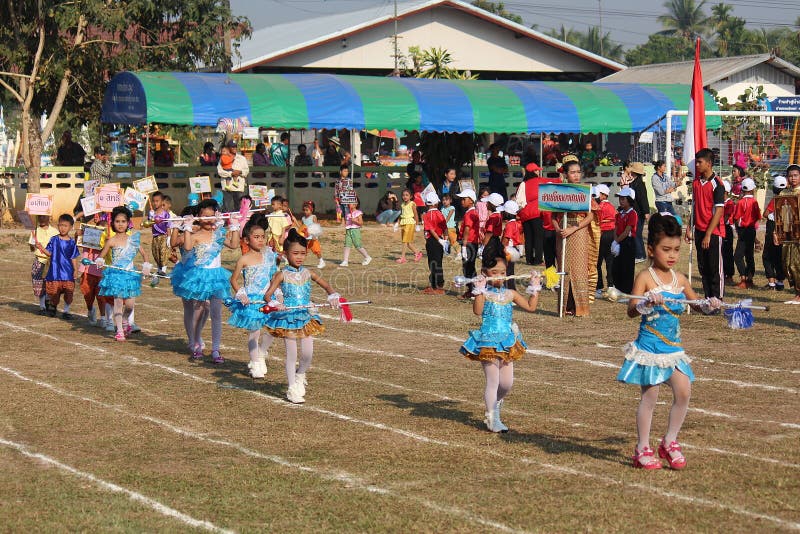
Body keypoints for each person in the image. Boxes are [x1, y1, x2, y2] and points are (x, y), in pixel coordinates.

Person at [617, 213, 722, 470]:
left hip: (673, 349)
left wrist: (709, 305)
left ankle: (670, 441)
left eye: (676, 249)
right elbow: (631, 310)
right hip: (650, 348)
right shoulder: (645, 277)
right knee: (650, 398)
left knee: (684, 391)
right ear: (652, 250)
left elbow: (695, 305)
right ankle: (642, 448)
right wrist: (645, 302)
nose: (672, 255)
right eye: (666, 250)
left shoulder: (681, 280)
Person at [460, 256, 541, 432]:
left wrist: (535, 288)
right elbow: (478, 311)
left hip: (507, 341)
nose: (499, 276)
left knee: (507, 383)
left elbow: (530, 307)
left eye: (502, 273)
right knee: (493, 381)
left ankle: (495, 404)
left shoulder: (510, 294)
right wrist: (479, 291)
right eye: (494, 273)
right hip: (488, 341)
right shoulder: (485, 293)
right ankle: (491, 419)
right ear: (485, 273)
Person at [263, 228, 342, 403]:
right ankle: (292, 389)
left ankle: (300, 375)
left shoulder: (309, 273)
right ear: (286, 254)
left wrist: (332, 296)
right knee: (291, 354)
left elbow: (327, 286)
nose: (299, 257)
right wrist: (276, 304)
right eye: (295, 253)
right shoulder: (281, 274)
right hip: (288, 317)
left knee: (308, 354)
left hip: (305, 316)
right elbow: (268, 295)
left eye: (303, 254)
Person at [176, 199, 241, 362]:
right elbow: (188, 247)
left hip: (217, 277)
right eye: (204, 216)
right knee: (198, 312)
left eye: (212, 216)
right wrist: (187, 227)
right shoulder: (195, 235)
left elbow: (234, 245)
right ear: (198, 217)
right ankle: (195, 342)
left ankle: (216, 350)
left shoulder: (218, 234)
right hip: (200, 277)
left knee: (216, 314)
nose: (208, 219)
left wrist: (234, 225)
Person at [229, 217, 278, 379]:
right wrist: (241, 293)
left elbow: (273, 277)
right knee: (254, 332)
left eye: (263, 237)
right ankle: (255, 362)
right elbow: (234, 280)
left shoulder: (269, 256)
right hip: (251, 300)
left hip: (267, 297)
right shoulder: (243, 259)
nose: (260, 240)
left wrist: (277, 293)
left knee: (274, 328)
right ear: (247, 240)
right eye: (256, 237)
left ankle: (262, 353)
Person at [96, 206, 151, 341]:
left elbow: (144, 254)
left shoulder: (133, 240)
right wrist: (100, 261)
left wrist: (146, 266)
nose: (120, 224)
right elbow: (101, 255)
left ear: (128, 223)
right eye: (117, 221)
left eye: (123, 221)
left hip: (130, 276)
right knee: (118, 303)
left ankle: (126, 320)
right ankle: (119, 330)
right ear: (113, 223)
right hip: (116, 276)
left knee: (130, 305)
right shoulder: (111, 240)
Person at [555, 159, 597, 316]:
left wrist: (574, 228)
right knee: (564, 268)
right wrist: (558, 229)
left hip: (579, 232)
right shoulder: (558, 191)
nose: (576, 175)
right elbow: (553, 216)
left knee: (579, 269)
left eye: (578, 172)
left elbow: (590, 215)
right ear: (566, 174)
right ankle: (564, 306)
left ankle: (579, 307)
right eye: (573, 172)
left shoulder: (584, 191)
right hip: (563, 232)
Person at [684, 148, 726, 299]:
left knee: (715, 268)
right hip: (700, 230)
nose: (697, 165)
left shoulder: (717, 184)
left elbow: (719, 211)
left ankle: (717, 300)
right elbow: (695, 207)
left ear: (709, 164)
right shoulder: (696, 182)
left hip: (713, 232)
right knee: (703, 268)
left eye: (700, 162)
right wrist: (690, 226)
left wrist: (709, 234)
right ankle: (708, 299)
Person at [170, 205, 204, 352]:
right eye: (192, 222)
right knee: (189, 308)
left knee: (204, 306)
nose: (195, 226)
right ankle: (192, 339)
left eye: (197, 222)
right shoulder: (184, 236)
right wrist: (176, 226)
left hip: (201, 273)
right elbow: (173, 243)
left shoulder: (203, 235)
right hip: (185, 273)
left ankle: (197, 335)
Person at [34, 214, 80, 319]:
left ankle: (66, 311)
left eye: (66, 226)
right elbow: (49, 253)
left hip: (67, 272)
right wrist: (41, 247)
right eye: (61, 225)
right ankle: (52, 308)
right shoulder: (54, 239)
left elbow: (73, 257)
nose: (63, 228)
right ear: (58, 225)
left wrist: (75, 270)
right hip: (54, 271)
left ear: (71, 227)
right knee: (54, 292)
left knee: (69, 292)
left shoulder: (72, 242)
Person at [515, 162, 558, 266]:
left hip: (525, 213)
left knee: (528, 237)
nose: (539, 171)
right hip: (536, 212)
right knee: (539, 237)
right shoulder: (539, 181)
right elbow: (554, 182)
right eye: (537, 170)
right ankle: (538, 260)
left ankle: (529, 259)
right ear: (534, 172)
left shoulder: (523, 183)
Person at [733, 178, 761, 289]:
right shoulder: (754, 202)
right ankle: (750, 279)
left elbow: (736, 218)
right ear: (752, 189)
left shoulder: (740, 202)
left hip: (743, 230)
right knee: (749, 255)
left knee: (738, 256)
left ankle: (743, 279)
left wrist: (738, 230)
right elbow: (758, 217)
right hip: (751, 230)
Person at [778, 164, 800, 303]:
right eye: (790, 176)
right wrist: (777, 233)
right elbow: (779, 215)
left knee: (797, 264)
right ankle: (797, 292)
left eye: (796, 175)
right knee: (787, 264)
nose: (793, 178)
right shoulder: (783, 194)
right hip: (788, 234)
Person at [29, 215, 59, 315]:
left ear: (49, 218)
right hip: (39, 261)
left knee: (51, 284)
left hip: (51, 261)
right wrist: (32, 245)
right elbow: (32, 249)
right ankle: (42, 306)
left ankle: (49, 302)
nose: (42, 219)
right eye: (40, 217)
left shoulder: (55, 231)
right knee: (39, 283)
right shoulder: (35, 231)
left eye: (44, 217)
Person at [762, 175, 787, 291]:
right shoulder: (789, 198)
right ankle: (780, 282)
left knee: (767, 256)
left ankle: (772, 283)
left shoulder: (775, 199)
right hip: (785, 230)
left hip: (773, 229)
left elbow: (765, 214)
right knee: (780, 256)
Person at [612, 187, 638, 295]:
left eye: (623, 199)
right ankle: (617, 288)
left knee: (627, 267)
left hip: (628, 242)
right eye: (620, 199)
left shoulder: (633, 214)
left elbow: (628, 230)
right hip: (619, 240)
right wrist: (615, 241)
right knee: (617, 266)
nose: (621, 201)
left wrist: (617, 241)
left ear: (630, 200)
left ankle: (626, 291)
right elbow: (616, 227)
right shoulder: (619, 213)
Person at [421, 191, 447, 294]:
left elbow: (431, 229)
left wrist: (439, 239)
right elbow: (445, 228)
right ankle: (437, 284)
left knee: (433, 263)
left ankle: (437, 286)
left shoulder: (428, 215)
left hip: (433, 241)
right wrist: (445, 240)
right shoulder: (440, 213)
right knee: (438, 262)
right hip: (440, 240)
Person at [594, 184, 616, 296]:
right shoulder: (612, 206)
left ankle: (598, 288)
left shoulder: (598, 207)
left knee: (597, 262)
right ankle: (611, 286)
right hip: (612, 234)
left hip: (601, 234)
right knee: (609, 261)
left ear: (603, 195)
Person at [457, 189, 480, 298]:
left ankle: (472, 289)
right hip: (472, 242)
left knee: (468, 267)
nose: (462, 201)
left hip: (469, 243)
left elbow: (467, 229)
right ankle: (473, 288)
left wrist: (464, 246)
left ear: (471, 201)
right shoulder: (472, 212)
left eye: (464, 199)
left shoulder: (470, 214)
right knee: (470, 266)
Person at [217, 140, 250, 213]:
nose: (234, 148)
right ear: (228, 148)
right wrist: (231, 174)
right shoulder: (222, 158)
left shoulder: (242, 158)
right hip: (227, 187)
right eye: (232, 147)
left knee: (239, 208)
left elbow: (246, 171)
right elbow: (220, 171)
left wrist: (240, 172)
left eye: (235, 146)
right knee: (227, 208)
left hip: (238, 187)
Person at [627, 162, 650, 262]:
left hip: (639, 212)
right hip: (634, 211)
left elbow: (643, 199)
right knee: (636, 233)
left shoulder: (639, 184)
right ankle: (641, 254)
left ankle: (640, 255)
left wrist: (646, 212)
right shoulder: (634, 183)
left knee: (636, 233)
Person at [340, 197, 372, 267]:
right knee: (347, 245)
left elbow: (361, 223)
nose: (348, 204)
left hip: (355, 231)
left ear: (355, 204)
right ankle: (345, 261)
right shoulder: (348, 213)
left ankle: (367, 257)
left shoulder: (358, 213)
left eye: (350, 203)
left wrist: (355, 221)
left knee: (358, 246)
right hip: (348, 231)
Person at [147, 191, 171, 284]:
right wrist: (150, 218)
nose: (155, 203)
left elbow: (168, 225)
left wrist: (169, 237)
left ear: (162, 202)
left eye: (157, 201)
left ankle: (164, 269)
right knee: (156, 252)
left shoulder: (165, 214)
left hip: (163, 236)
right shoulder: (152, 213)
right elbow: (149, 224)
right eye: (154, 201)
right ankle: (159, 268)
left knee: (163, 252)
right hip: (155, 236)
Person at [501, 200, 523, 290]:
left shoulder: (510, 225)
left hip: (508, 250)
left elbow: (507, 238)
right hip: (513, 249)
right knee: (510, 270)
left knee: (507, 271)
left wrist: (502, 248)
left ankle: (510, 289)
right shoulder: (515, 223)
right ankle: (510, 288)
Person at [397, 189, 422, 263]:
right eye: (403, 195)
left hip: (410, 223)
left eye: (407, 195)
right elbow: (401, 215)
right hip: (403, 223)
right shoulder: (402, 205)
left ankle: (403, 257)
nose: (405, 196)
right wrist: (397, 223)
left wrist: (417, 225)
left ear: (410, 196)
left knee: (405, 241)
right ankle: (417, 253)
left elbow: (416, 214)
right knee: (407, 243)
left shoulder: (412, 204)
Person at [480, 193, 504, 264]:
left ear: (492, 204)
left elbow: (489, 233)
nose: (486, 204)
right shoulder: (498, 215)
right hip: (496, 240)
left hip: (491, 241)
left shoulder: (493, 217)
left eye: (488, 203)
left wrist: (483, 246)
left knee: (489, 260)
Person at [300, 201, 325, 269]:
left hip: (313, 238)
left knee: (317, 250)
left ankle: (321, 261)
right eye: (304, 210)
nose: (305, 212)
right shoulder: (303, 218)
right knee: (303, 250)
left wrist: (314, 236)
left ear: (311, 210)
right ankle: (299, 263)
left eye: (307, 210)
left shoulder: (313, 217)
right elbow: (302, 227)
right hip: (305, 238)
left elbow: (316, 227)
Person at [721, 180, 736, 285]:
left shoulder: (729, 203)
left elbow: (726, 217)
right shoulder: (720, 202)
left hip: (726, 228)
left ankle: (729, 275)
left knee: (727, 253)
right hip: (720, 228)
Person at [440, 193, 460, 259]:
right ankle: (447, 252)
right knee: (445, 240)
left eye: (446, 200)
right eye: (443, 200)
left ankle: (459, 253)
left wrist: (444, 222)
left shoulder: (452, 208)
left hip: (450, 227)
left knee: (453, 241)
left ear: (450, 201)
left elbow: (449, 216)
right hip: (444, 228)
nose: (444, 201)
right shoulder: (442, 208)